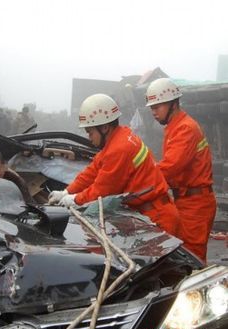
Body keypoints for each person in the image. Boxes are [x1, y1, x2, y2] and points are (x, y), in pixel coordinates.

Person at [48, 94, 181, 237]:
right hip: (151, 213)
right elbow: (91, 172)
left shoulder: (119, 149)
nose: (89, 137)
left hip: (158, 218)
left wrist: (74, 200)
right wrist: (66, 192)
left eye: (90, 132)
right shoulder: (119, 137)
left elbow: (101, 190)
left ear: (104, 128)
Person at [145, 78, 216, 262]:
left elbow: (170, 168)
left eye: (157, 107)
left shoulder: (185, 128)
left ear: (173, 104)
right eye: (152, 107)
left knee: (192, 259)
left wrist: (141, 179)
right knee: (181, 257)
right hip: (186, 200)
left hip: (195, 204)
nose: (153, 112)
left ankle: (199, 290)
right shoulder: (175, 126)